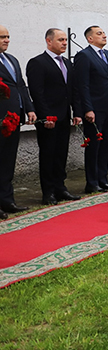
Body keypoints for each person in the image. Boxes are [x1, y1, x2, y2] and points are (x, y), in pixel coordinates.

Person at [26, 28, 82, 205]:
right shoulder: (38, 63)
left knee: (61, 154)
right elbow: (37, 93)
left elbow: (73, 90)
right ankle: (48, 192)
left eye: (65, 40)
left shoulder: (67, 63)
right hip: (48, 118)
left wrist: (77, 112)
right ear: (49, 41)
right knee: (48, 155)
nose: (64, 43)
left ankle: (60, 187)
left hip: (64, 116)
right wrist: (45, 116)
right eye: (60, 40)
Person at [73, 25, 108, 194]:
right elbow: (83, 85)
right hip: (94, 109)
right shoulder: (84, 56)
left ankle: (103, 179)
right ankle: (92, 182)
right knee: (94, 145)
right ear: (90, 38)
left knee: (106, 144)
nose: (104, 35)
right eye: (99, 33)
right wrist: (87, 109)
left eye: (104, 33)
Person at [0, 24, 36, 216]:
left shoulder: (11, 59)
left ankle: (7, 201)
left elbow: (21, 85)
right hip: (0, 118)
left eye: (8, 36)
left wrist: (29, 108)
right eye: (2, 37)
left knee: (8, 160)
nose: (6, 40)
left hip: (13, 119)